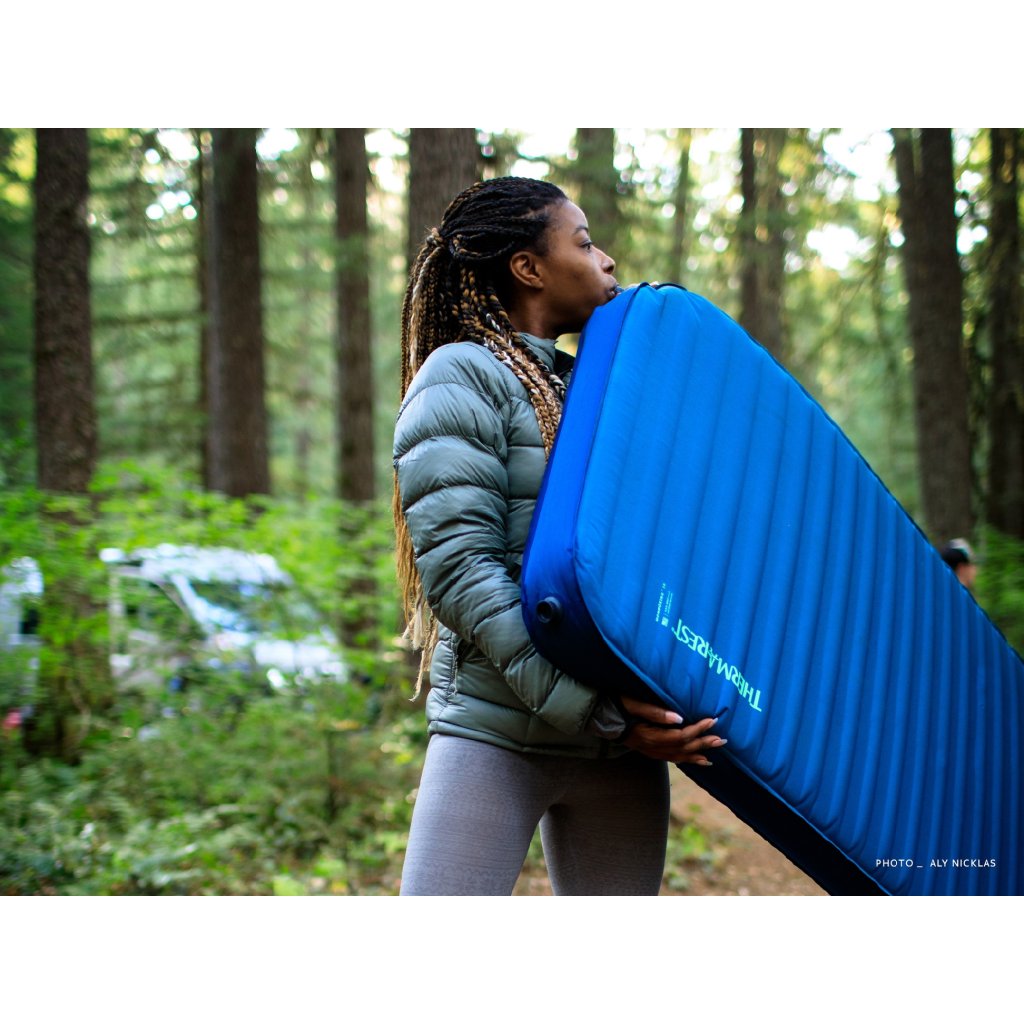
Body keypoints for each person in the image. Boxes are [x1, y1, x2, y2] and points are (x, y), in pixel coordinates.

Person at [392, 177, 723, 896]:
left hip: (621, 754)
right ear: (528, 268)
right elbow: (462, 573)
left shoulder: (595, 391)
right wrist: (599, 713)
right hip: (497, 734)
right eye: (585, 242)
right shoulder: (461, 377)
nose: (607, 260)